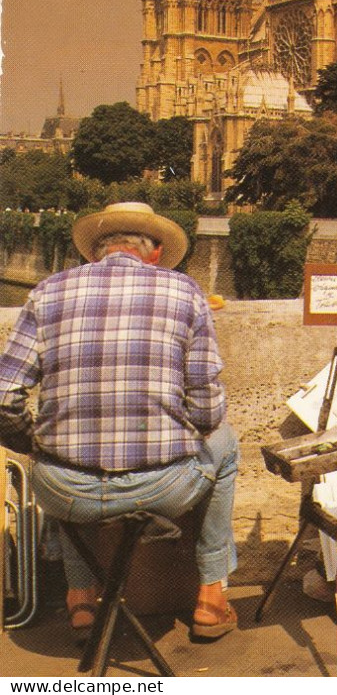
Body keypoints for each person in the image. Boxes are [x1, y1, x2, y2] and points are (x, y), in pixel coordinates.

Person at [0, 202, 239, 642]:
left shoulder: (47, 291)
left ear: (95, 252)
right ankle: (210, 596)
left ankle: (81, 597)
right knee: (226, 446)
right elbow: (206, 407)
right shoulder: (186, 293)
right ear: (156, 251)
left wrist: (31, 442)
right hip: (161, 490)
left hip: (66, 493)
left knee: (54, 457)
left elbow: (3, 396)